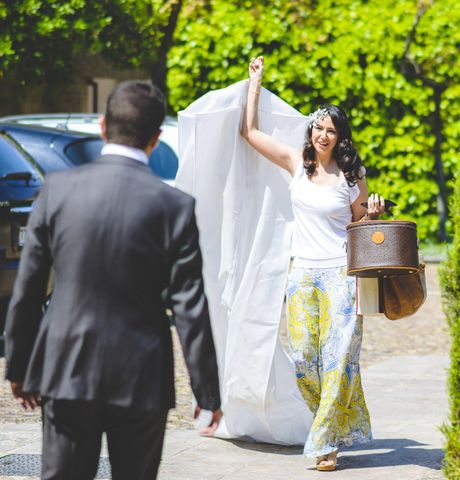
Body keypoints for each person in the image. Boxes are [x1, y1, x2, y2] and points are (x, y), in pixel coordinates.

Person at [4, 80, 222, 480]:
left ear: (102, 126)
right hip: (142, 375)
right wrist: (207, 392)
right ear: (156, 139)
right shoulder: (174, 206)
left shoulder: (58, 189)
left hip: (66, 368)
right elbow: (190, 304)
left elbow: (29, 288)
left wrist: (19, 368)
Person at [241, 56, 383, 471]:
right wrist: (255, 84)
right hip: (301, 275)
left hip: (341, 276)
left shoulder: (352, 176)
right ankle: (338, 425)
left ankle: (324, 444)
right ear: (311, 130)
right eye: (318, 128)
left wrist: (372, 212)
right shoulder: (295, 164)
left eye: (331, 130)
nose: (323, 135)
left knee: (339, 360)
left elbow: (361, 223)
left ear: (341, 137)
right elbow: (249, 132)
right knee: (304, 360)